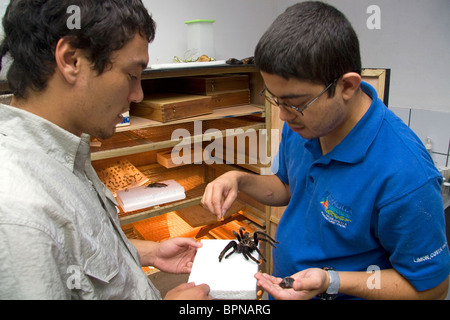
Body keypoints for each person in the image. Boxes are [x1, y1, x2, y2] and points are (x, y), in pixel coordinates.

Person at [202, 1, 449, 299]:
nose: (283, 115)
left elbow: (432, 287)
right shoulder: (305, 124)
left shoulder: (406, 175)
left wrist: (331, 281)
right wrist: (238, 179)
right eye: (276, 99)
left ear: (347, 86)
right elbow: (287, 187)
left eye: (294, 102)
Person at [0, 0, 210, 300]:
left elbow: (75, 256)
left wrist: (149, 252)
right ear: (72, 60)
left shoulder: (64, 154)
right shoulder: (18, 213)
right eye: (132, 74)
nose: (137, 94)